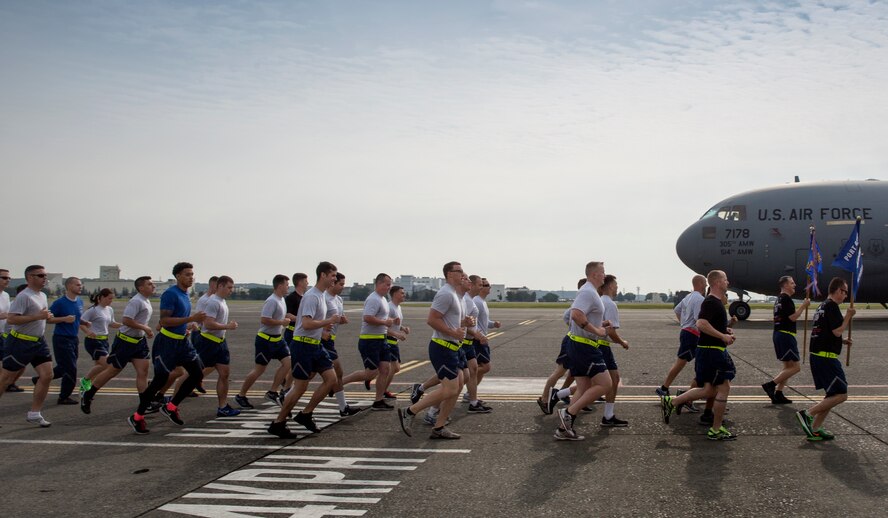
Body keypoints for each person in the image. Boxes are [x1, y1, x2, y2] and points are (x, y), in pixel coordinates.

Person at [127, 262, 206, 434]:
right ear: (178, 276)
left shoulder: (185, 294)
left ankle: (171, 406)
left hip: (182, 342)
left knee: (197, 373)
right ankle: (138, 416)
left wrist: (188, 325)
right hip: (167, 343)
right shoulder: (171, 294)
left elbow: (179, 319)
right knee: (160, 380)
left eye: (192, 274)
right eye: (187, 274)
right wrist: (191, 318)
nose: (191, 277)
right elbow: (164, 321)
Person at [661, 270, 737, 441]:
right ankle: (716, 429)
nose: (727, 282)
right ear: (717, 282)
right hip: (712, 351)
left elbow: (708, 324)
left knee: (708, 389)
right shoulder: (711, 302)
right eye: (725, 279)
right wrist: (723, 336)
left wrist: (725, 330)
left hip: (709, 350)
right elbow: (701, 323)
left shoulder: (714, 302)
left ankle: (672, 403)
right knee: (724, 387)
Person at [268, 262, 342, 438]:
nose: (335, 279)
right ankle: (278, 423)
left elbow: (313, 323)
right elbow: (306, 323)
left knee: (331, 379)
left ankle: (306, 414)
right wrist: (327, 321)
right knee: (300, 388)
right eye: (333, 275)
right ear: (323, 275)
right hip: (302, 345)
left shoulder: (321, 296)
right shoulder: (312, 297)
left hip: (315, 345)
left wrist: (323, 332)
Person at [398, 261, 468, 440]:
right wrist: (454, 332)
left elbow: (449, 320)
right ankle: (410, 411)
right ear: (449, 274)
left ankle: (439, 427)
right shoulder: (445, 294)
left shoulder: (454, 295)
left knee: (458, 386)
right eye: (459, 271)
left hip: (453, 347)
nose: (462, 273)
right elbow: (432, 319)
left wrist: (463, 325)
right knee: (450, 389)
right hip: (442, 347)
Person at [554, 262, 613, 441]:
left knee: (584, 387)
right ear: (594, 274)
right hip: (584, 345)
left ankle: (564, 429)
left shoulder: (590, 292)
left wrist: (600, 324)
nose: (605, 275)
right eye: (602, 272)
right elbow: (576, 315)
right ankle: (568, 414)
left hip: (580, 344)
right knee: (605, 384)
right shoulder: (588, 292)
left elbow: (582, 316)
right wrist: (598, 331)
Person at [80, 276, 155, 414]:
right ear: (141, 287)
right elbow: (126, 320)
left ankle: (146, 404)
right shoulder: (136, 301)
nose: (153, 286)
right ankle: (88, 394)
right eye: (150, 284)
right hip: (125, 342)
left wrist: (145, 331)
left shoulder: (146, 301)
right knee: (112, 371)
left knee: (143, 372)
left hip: (139, 342)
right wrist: (145, 328)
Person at [796, 277, 855, 441]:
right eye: (844, 292)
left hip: (820, 356)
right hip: (826, 358)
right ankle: (807, 414)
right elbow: (837, 331)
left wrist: (842, 341)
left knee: (832, 395)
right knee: (841, 395)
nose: (845, 295)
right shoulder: (832, 307)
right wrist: (848, 316)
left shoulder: (822, 306)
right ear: (838, 291)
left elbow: (826, 332)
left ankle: (815, 428)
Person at [0, 265, 56, 426]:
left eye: (45, 275)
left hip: (38, 341)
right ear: (30, 277)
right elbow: (11, 319)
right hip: (20, 341)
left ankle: (34, 413)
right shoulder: (24, 296)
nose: (45, 278)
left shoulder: (42, 295)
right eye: (40, 275)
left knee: (47, 375)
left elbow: (42, 317)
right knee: (6, 378)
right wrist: (37, 316)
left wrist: (52, 317)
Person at [235, 274, 295, 409]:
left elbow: (280, 316)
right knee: (259, 369)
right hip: (265, 340)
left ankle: (273, 392)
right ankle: (241, 395)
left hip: (278, 339)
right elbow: (264, 319)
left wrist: (288, 318)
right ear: (280, 286)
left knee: (288, 363)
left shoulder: (281, 300)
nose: (288, 287)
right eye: (286, 284)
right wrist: (282, 322)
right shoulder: (272, 301)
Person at [341, 273, 395, 410]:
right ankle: (339, 383)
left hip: (381, 339)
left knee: (385, 370)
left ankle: (378, 401)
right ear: (379, 283)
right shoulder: (374, 299)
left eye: (390, 284)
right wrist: (385, 322)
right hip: (370, 340)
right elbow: (367, 318)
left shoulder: (382, 299)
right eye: (387, 284)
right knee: (371, 373)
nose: (389, 287)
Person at [193, 275, 240, 417]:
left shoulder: (222, 301)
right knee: (194, 374)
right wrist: (227, 326)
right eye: (229, 287)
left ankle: (223, 406)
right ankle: (172, 401)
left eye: (232, 287)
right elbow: (208, 323)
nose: (231, 290)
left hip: (220, 342)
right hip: (208, 342)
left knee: (224, 374)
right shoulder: (213, 302)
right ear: (220, 286)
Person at [539, 278, 585, 414]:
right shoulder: (579, 303)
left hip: (579, 342)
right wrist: (573, 328)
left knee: (576, 372)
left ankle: (567, 394)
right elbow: (567, 316)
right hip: (572, 341)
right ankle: (544, 398)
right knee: (560, 372)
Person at [762, 276, 810, 404]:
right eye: (792, 283)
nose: (794, 285)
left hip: (779, 334)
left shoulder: (779, 299)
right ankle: (770, 385)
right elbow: (793, 317)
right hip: (785, 335)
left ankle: (779, 393)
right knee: (795, 367)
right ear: (785, 285)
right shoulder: (786, 299)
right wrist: (804, 306)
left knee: (787, 367)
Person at [46, 277, 84, 404]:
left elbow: (76, 318)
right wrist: (63, 319)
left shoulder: (79, 301)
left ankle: (40, 378)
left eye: (81, 285)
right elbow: (48, 319)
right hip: (61, 338)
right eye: (78, 285)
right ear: (69, 286)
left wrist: (85, 323)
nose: (81, 287)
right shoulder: (59, 303)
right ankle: (63, 397)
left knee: (64, 367)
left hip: (74, 338)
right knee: (71, 368)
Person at [598, 274, 630, 427]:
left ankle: (608, 415)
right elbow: (610, 332)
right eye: (616, 285)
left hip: (598, 345)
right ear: (610, 286)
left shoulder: (600, 301)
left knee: (605, 381)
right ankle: (558, 396)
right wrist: (623, 342)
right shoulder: (610, 304)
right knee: (610, 381)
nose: (617, 287)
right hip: (601, 346)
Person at [78, 288, 121, 394]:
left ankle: (85, 389)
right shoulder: (93, 310)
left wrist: (125, 326)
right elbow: (81, 323)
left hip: (104, 341)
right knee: (106, 364)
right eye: (109, 298)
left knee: (99, 366)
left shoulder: (109, 309)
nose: (111, 301)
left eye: (112, 299)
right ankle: (86, 380)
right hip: (93, 341)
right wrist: (88, 332)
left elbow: (111, 323)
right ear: (101, 297)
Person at [472, 277, 500, 395]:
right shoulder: (477, 301)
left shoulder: (482, 302)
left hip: (481, 339)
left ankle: (470, 393)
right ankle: (464, 376)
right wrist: (480, 336)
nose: (490, 287)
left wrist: (493, 324)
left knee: (482, 369)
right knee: (485, 367)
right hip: (478, 340)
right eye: (487, 285)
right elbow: (473, 322)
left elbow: (483, 321)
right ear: (481, 287)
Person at [381, 285, 409, 402]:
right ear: (394, 294)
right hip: (388, 341)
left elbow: (394, 323)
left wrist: (402, 328)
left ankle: (382, 389)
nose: (404, 295)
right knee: (394, 367)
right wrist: (396, 334)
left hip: (394, 341)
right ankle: (381, 389)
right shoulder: (389, 307)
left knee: (394, 368)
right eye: (402, 293)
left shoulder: (398, 307)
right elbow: (382, 326)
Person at [0, 268, 24, 392]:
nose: (7, 280)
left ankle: (8, 384)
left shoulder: (6, 295)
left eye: (8, 278)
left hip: (4, 334)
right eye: (4, 278)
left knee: (9, 363)